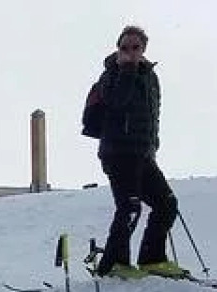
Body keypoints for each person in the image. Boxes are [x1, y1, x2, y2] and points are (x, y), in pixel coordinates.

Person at [84, 25, 178, 277]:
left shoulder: (150, 77)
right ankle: (114, 264)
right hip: (118, 152)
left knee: (166, 204)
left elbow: (152, 114)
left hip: (142, 153)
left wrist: (152, 145)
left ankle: (152, 260)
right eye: (124, 47)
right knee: (129, 207)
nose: (130, 52)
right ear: (118, 49)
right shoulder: (111, 74)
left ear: (144, 48)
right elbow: (117, 101)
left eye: (135, 47)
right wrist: (126, 69)